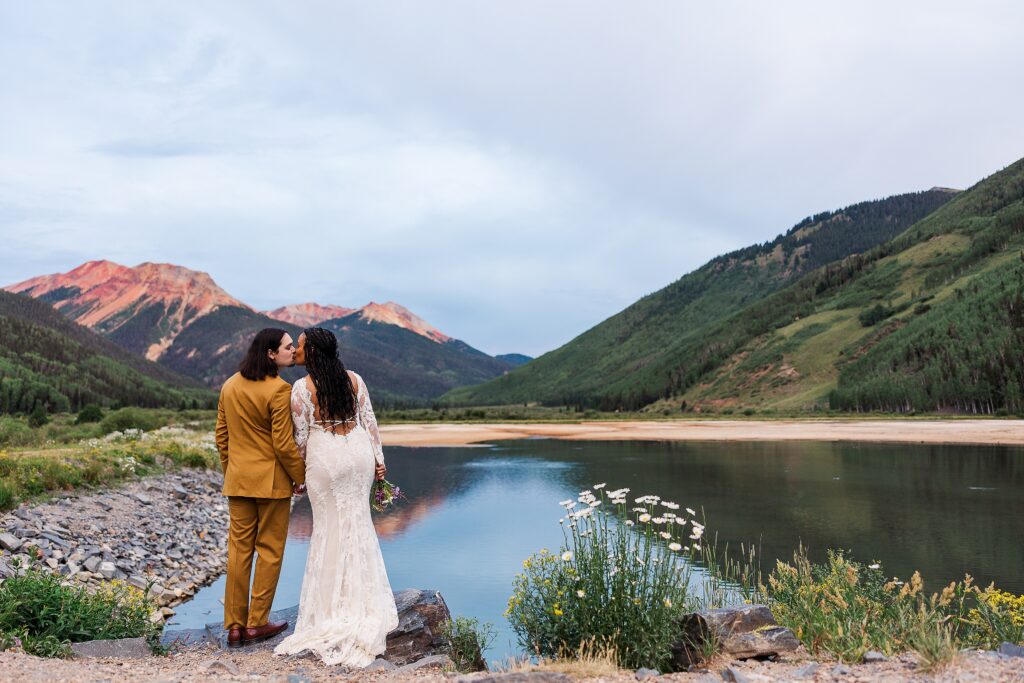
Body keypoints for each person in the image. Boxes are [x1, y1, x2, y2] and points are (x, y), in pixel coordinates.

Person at [273, 327, 398, 667]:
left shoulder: (301, 388)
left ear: (312, 351)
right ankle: (364, 601)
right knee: (358, 523)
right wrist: (379, 463)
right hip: (357, 454)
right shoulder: (355, 379)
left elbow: (300, 439)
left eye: (299, 345)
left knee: (328, 529)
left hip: (325, 458)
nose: (295, 350)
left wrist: (298, 478)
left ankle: (330, 609)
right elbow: (369, 423)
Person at [215, 328, 307, 647]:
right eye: (286, 346)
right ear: (270, 353)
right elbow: (283, 445)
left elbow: (221, 439)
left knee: (238, 551)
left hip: (238, 481)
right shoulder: (280, 390)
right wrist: (300, 477)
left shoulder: (229, 386)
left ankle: (235, 626)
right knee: (268, 551)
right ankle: (257, 623)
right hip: (271, 484)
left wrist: (234, 473)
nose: (292, 350)